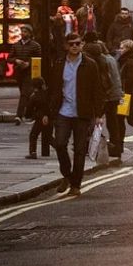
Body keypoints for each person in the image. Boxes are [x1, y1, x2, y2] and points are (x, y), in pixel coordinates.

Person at [44, 32, 104, 197]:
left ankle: (75, 184)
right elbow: (52, 90)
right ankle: (67, 175)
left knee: (79, 150)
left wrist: (98, 114)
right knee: (60, 144)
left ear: (82, 44)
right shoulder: (58, 64)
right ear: (66, 46)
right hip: (63, 111)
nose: (75, 46)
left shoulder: (90, 64)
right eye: (71, 44)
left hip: (82, 113)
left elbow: (97, 90)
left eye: (78, 43)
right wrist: (47, 112)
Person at [84, 42, 125, 158]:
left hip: (108, 95)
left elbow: (106, 80)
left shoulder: (102, 62)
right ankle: (116, 147)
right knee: (113, 123)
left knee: (94, 120)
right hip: (115, 94)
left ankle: (93, 146)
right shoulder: (110, 59)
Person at [11, 24, 42, 125]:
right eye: (22, 31)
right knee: (26, 95)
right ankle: (32, 114)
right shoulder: (16, 45)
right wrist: (16, 61)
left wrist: (29, 63)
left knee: (24, 94)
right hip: (19, 72)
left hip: (30, 72)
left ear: (30, 33)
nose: (23, 33)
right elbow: (9, 58)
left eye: (25, 31)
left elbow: (39, 58)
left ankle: (18, 116)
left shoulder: (35, 45)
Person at [24, 78, 51, 159]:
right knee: (48, 136)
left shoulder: (34, 96)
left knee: (33, 135)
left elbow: (29, 107)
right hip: (48, 117)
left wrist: (27, 116)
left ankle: (33, 152)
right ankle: (60, 147)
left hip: (39, 117)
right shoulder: (47, 94)